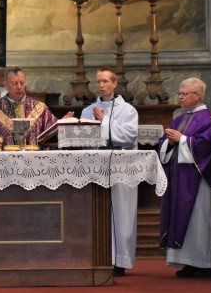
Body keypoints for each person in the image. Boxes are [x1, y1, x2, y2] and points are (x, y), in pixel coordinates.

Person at [158, 77, 211, 278]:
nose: (181, 97)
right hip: (180, 178)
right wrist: (168, 142)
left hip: (199, 180)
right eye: (180, 93)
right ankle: (189, 262)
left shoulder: (207, 119)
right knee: (184, 219)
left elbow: (206, 147)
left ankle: (207, 265)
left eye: (185, 94)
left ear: (198, 95)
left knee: (199, 221)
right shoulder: (180, 118)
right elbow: (164, 143)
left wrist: (182, 139)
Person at [80, 66, 138, 276]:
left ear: (114, 83)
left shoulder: (128, 110)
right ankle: (98, 257)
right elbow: (83, 138)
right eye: (98, 81)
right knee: (97, 213)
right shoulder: (88, 111)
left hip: (121, 169)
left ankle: (119, 260)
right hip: (96, 168)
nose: (101, 85)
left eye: (105, 81)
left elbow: (128, 137)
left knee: (120, 213)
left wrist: (104, 121)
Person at [0, 66, 73, 145]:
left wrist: (61, 123)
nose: (19, 87)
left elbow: (50, 133)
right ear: (5, 85)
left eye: (22, 83)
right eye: (14, 83)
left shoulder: (40, 108)